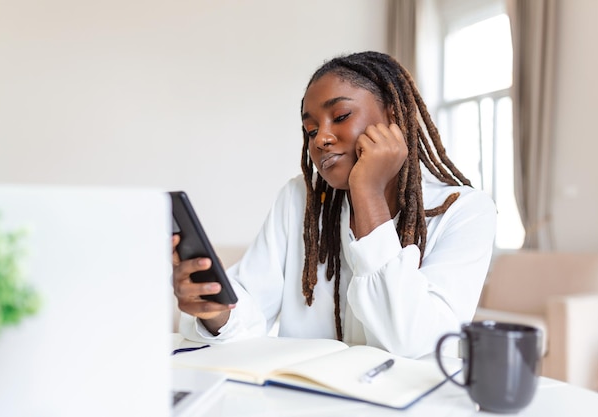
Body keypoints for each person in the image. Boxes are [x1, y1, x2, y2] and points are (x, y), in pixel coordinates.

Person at [173, 51, 496, 358]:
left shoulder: (466, 211)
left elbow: (415, 340)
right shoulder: (301, 198)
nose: (320, 139)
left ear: (393, 117)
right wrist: (215, 312)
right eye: (310, 129)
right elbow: (250, 307)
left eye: (340, 116)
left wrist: (367, 194)